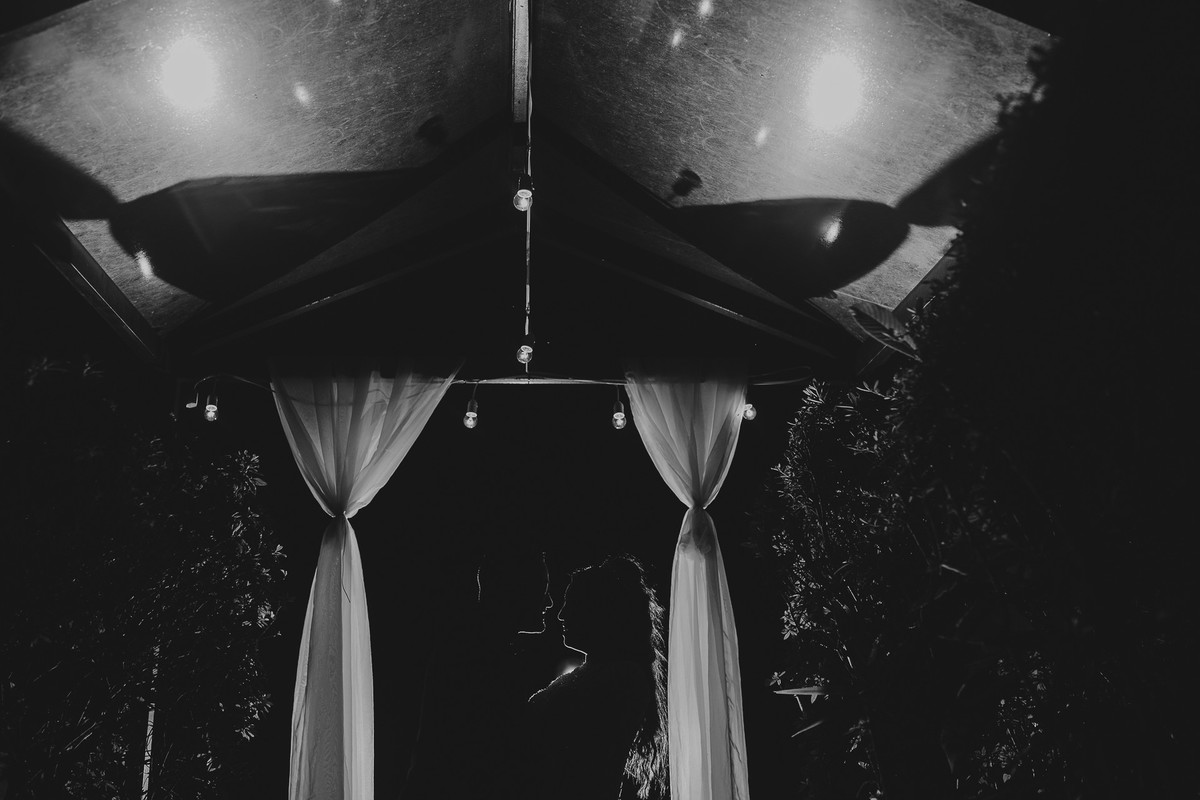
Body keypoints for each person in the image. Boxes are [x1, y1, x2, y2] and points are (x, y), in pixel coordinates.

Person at [401, 547, 554, 800]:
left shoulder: (469, 644)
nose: (549, 602)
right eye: (543, 588)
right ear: (517, 591)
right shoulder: (479, 657)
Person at [521, 555, 669, 800]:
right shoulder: (595, 675)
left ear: (600, 611)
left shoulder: (622, 678)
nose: (561, 615)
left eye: (572, 604)